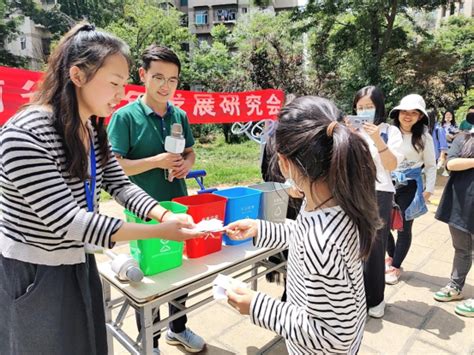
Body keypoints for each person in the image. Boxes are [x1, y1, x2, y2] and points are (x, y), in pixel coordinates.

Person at [0, 23, 204, 355]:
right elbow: (69, 221)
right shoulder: (25, 135)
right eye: (113, 83)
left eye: (124, 84)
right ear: (77, 75)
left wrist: (164, 213)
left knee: (87, 343)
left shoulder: (92, 128)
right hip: (35, 271)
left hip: (78, 258)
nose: (120, 94)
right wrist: (160, 231)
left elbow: (119, 184)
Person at [224, 96, 382, 354]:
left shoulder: (321, 241)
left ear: (285, 163)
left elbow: (333, 337)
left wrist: (256, 306)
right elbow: (303, 232)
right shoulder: (334, 203)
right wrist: (260, 228)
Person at [107, 45, 204, 354]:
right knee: (147, 276)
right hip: (142, 209)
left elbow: (189, 149)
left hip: (177, 203)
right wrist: (157, 161)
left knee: (177, 269)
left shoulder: (179, 115)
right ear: (142, 76)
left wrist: (187, 163)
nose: (166, 86)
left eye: (173, 80)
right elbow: (115, 165)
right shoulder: (125, 117)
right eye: (159, 77)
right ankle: (151, 342)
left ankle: (177, 328)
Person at [351, 86, 404, 318]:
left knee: (374, 247)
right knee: (351, 244)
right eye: (360, 107)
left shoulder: (390, 132)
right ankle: (354, 296)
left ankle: (376, 299)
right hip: (353, 192)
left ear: (379, 107)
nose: (364, 111)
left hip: (379, 193)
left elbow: (392, 165)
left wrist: (375, 138)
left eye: (369, 107)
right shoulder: (353, 130)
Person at [385, 94, 436, 285]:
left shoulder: (424, 137)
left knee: (404, 228)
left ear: (420, 116)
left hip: (411, 185)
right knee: (383, 225)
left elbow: (431, 165)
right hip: (387, 183)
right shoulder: (389, 132)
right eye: (404, 112)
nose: (408, 116)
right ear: (397, 113)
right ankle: (391, 256)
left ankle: (396, 266)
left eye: (414, 113)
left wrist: (429, 190)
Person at [433, 113, 473, 318]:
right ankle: (455, 287)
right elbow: (451, 163)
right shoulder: (464, 138)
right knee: (461, 249)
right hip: (461, 205)